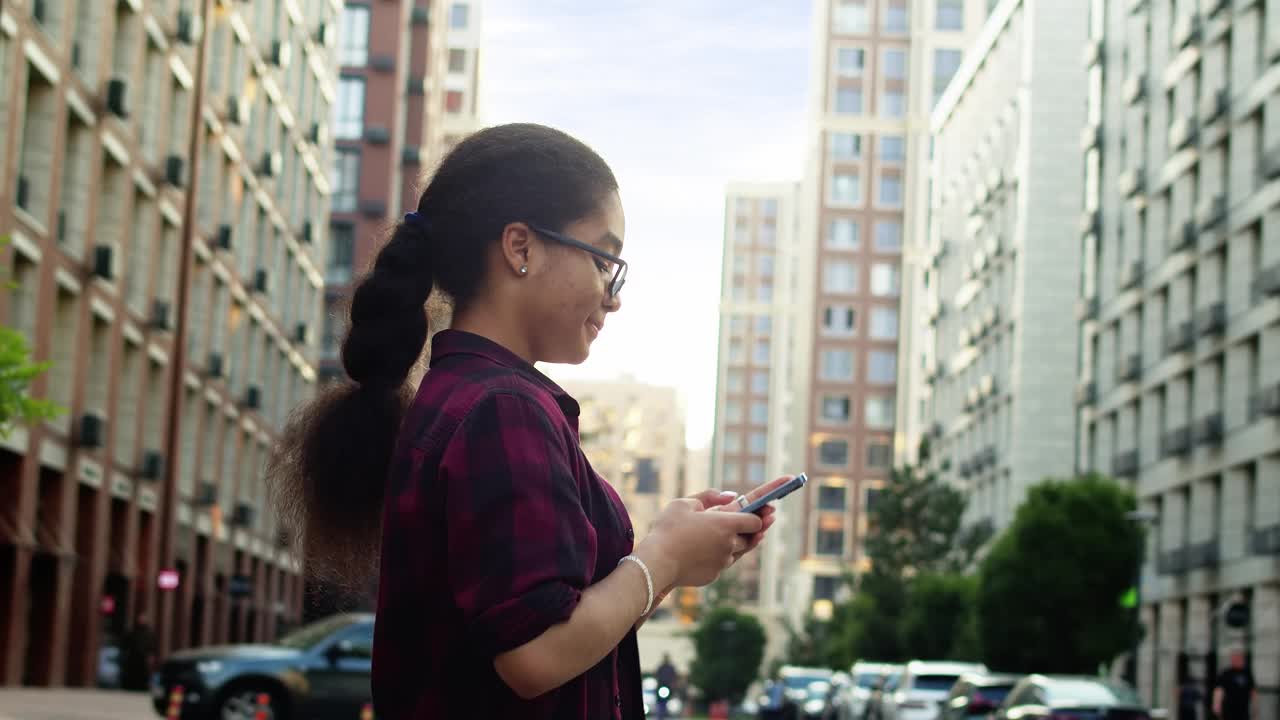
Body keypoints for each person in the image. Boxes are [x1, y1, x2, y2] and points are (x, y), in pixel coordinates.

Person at [268, 123, 784, 719]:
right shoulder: (501, 409)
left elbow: (551, 624)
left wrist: (673, 559)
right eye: (604, 259)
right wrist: (663, 556)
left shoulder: (470, 398)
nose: (613, 298)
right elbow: (533, 654)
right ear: (521, 247)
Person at [1213, 651, 1256, 720]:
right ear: (1232, 660)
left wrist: (1255, 708)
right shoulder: (1226, 673)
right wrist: (1216, 705)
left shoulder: (1247, 673)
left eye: (1240, 658)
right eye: (1235, 658)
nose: (1238, 660)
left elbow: (1253, 692)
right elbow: (1219, 690)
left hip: (1243, 709)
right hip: (1229, 708)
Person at [118, 612, 155, 691]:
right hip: (133, 657)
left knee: (143, 674)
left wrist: (151, 656)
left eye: (143, 619)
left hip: (143, 657)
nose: (141, 621)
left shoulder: (149, 633)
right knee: (133, 673)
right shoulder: (133, 632)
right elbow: (126, 643)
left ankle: (142, 687)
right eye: (140, 619)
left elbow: (152, 646)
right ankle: (131, 686)